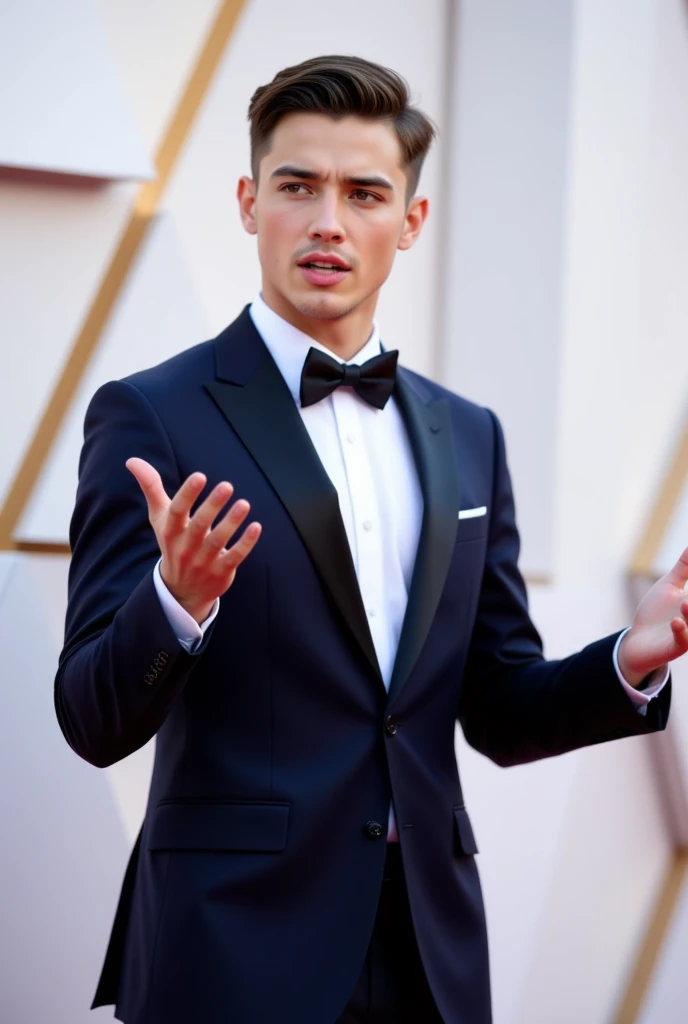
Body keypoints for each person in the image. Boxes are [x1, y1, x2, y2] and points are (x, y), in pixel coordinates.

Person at [55, 55, 686, 1024]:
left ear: (411, 220)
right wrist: (174, 604)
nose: (328, 222)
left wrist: (627, 662)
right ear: (246, 200)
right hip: (230, 948)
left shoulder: (467, 432)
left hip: (429, 949)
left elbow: (499, 707)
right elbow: (92, 718)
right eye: (297, 186)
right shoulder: (152, 413)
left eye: (364, 192)